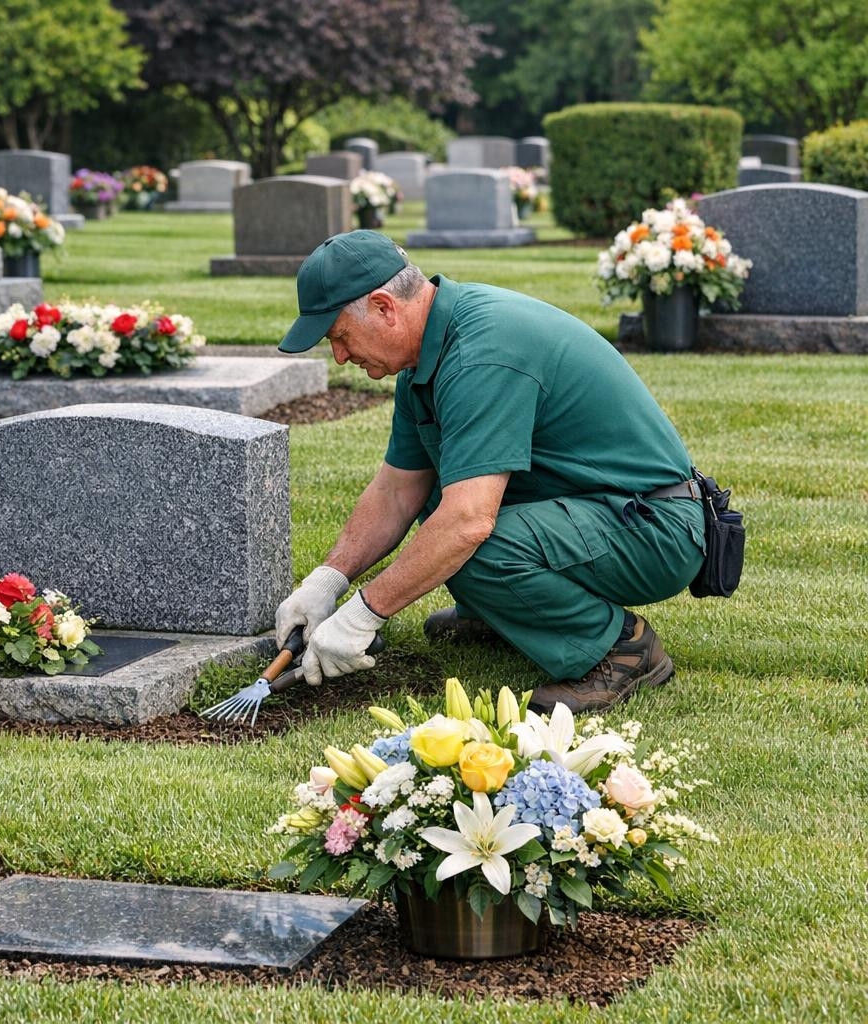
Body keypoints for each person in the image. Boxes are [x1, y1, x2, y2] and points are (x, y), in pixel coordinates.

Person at [274, 230, 706, 713]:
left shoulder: (482, 352)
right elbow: (397, 490)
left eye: (339, 336)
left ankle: (621, 650)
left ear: (383, 307)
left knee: (471, 541)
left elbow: (468, 524)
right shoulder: (425, 357)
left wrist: (363, 614)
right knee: (439, 505)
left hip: (655, 527)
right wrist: (328, 581)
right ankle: (508, 614)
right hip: (602, 510)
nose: (339, 356)